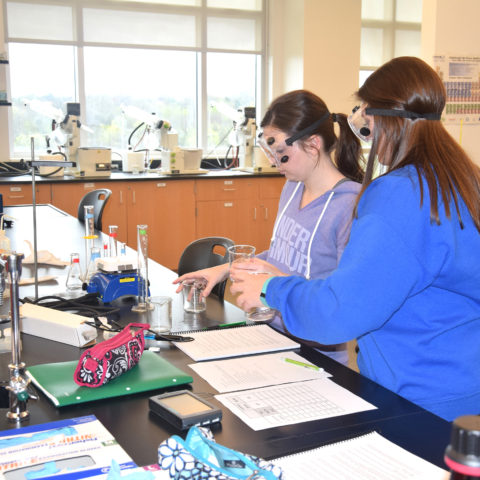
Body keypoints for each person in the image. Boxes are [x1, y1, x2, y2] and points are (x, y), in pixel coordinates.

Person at [230, 56, 480, 422]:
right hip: (465, 389)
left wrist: (272, 288)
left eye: (367, 118)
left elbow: (340, 311)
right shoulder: (462, 179)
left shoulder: (398, 195)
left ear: (380, 118)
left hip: (422, 400)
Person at [174, 89, 364, 364]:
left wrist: (278, 282)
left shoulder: (349, 206)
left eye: (282, 154)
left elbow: (342, 299)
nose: (275, 164)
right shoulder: (291, 188)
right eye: (271, 154)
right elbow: (279, 255)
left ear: (312, 144)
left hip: (316, 351)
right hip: (270, 333)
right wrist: (222, 270)